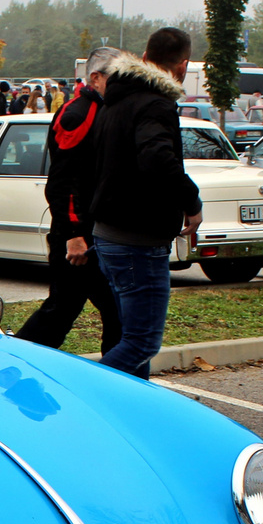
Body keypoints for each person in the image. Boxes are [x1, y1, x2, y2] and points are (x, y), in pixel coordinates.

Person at [90, 27, 202, 379]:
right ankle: (87, 396)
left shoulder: (119, 97)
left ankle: (131, 417)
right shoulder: (155, 103)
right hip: (138, 238)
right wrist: (192, 201)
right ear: (183, 65)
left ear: (144, 54)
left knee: (130, 336)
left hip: (110, 232)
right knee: (141, 342)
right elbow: (157, 159)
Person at [15, 46, 122, 359]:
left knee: (110, 311)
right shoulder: (77, 114)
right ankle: (15, 365)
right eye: (117, 77)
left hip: (95, 230)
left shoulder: (103, 109)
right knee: (63, 312)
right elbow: (63, 181)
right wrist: (74, 235)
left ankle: (114, 376)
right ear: (96, 77)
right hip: (77, 234)